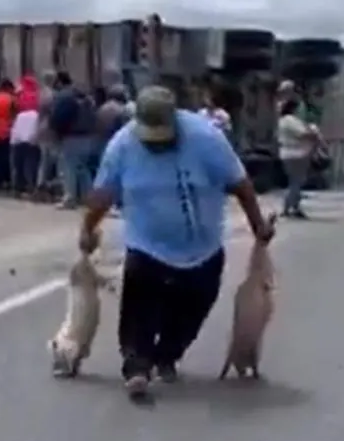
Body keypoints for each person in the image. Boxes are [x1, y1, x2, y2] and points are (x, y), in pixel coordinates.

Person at [78, 85, 275, 402]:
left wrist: (258, 227)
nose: (156, 145)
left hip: (203, 247)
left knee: (193, 309)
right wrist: (87, 229)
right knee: (139, 306)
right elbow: (103, 194)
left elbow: (241, 185)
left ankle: (166, 355)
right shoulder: (123, 146)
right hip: (148, 244)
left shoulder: (206, 139)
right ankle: (136, 365)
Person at [48, 72, 98, 209]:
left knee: (68, 168)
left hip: (71, 136)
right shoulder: (85, 97)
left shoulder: (64, 96)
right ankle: (89, 198)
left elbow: (59, 117)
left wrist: (56, 131)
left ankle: (69, 198)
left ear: (59, 82)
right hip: (87, 136)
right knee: (83, 168)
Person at [277, 94, 321, 218]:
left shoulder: (287, 120)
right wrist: (313, 133)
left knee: (296, 182)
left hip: (292, 153)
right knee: (297, 182)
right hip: (295, 154)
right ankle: (288, 207)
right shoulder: (289, 120)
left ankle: (294, 206)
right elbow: (302, 134)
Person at [10, 101, 40, 195]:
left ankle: (18, 187)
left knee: (18, 166)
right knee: (31, 166)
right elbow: (37, 129)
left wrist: (13, 142)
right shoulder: (37, 116)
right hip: (32, 143)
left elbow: (15, 129)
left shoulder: (20, 115)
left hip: (18, 142)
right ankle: (30, 186)